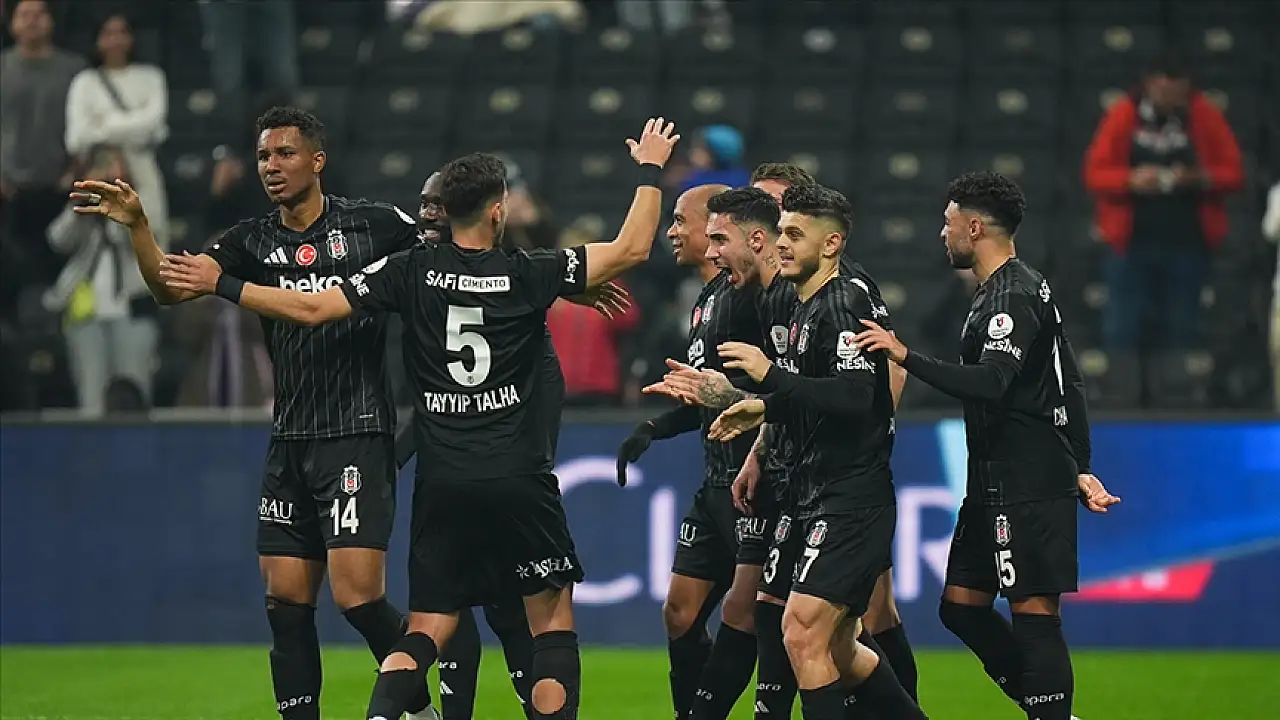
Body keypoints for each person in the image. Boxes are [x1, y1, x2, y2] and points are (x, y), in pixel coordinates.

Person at [153, 119, 680, 720]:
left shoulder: (407, 272)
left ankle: (384, 715)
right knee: (549, 624)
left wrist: (225, 283)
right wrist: (650, 168)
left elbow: (311, 307)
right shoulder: (530, 272)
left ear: (442, 212)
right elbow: (632, 248)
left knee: (426, 628)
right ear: (498, 210)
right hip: (518, 476)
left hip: (442, 482)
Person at [71, 106, 434, 720]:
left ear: (317, 160)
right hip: (289, 440)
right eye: (264, 155)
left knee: (358, 599)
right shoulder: (250, 240)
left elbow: (446, 258)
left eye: (285, 153)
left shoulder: (374, 225)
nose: (271, 166)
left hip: (355, 433)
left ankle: (417, 706)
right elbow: (170, 288)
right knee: (285, 603)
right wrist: (139, 228)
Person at [645, 178, 918, 718]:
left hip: (846, 490)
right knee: (816, 634)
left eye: (790, 232)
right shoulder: (786, 300)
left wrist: (765, 384)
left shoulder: (843, 298)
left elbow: (859, 394)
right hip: (802, 485)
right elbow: (797, 390)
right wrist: (760, 434)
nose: (781, 243)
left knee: (810, 628)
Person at [853, 172, 1121, 720]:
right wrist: (1083, 463)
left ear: (974, 227)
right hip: (994, 480)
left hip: (1029, 478)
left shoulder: (1013, 295)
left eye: (948, 222)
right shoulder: (1010, 289)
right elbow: (1068, 378)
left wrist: (905, 356)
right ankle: (1048, 710)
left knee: (1034, 612)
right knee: (961, 606)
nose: (943, 233)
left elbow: (993, 381)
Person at [397, 170, 628, 720]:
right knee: (464, 619)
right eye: (423, 204)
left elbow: (544, 403)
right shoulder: (417, 268)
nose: (429, 213)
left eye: (438, 204)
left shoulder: (505, 286)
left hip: (484, 477)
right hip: (492, 479)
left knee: (493, 616)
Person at [616, 181, 767, 720]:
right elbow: (707, 396)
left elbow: (770, 390)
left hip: (757, 482)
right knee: (680, 612)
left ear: (716, 227)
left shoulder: (751, 299)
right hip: (715, 482)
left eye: (682, 220)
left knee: (755, 618)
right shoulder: (705, 301)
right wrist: (653, 428)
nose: (672, 232)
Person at [1083, 54, 1243, 361]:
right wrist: (1131, 180)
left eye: (1176, 92)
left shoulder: (1204, 114)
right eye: (1163, 91)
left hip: (1188, 243)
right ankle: (1121, 388)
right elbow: (1094, 174)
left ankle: (1180, 388)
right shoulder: (1124, 114)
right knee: (1122, 328)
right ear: (1148, 85)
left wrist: (1198, 178)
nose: (1169, 99)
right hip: (1130, 244)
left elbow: (1234, 173)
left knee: (1182, 329)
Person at [0, 0, 86, 308]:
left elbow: (88, 122)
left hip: (61, 186)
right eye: (25, 15)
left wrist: (75, 169)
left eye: (39, 14)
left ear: (51, 21)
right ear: (12, 23)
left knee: (59, 275)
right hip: (9, 190)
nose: (32, 21)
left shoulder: (74, 69)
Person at [64, 11, 170, 251]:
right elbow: (76, 138)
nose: (115, 40)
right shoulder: (85, 82)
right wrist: (132, 125)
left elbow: (154, 128)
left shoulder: (151, 77)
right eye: (108, 33)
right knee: (102, 250)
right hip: (100, 172)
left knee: (149, 243)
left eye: (122, 32)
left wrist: (103, 122)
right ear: (97, 40)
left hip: (143, 172)